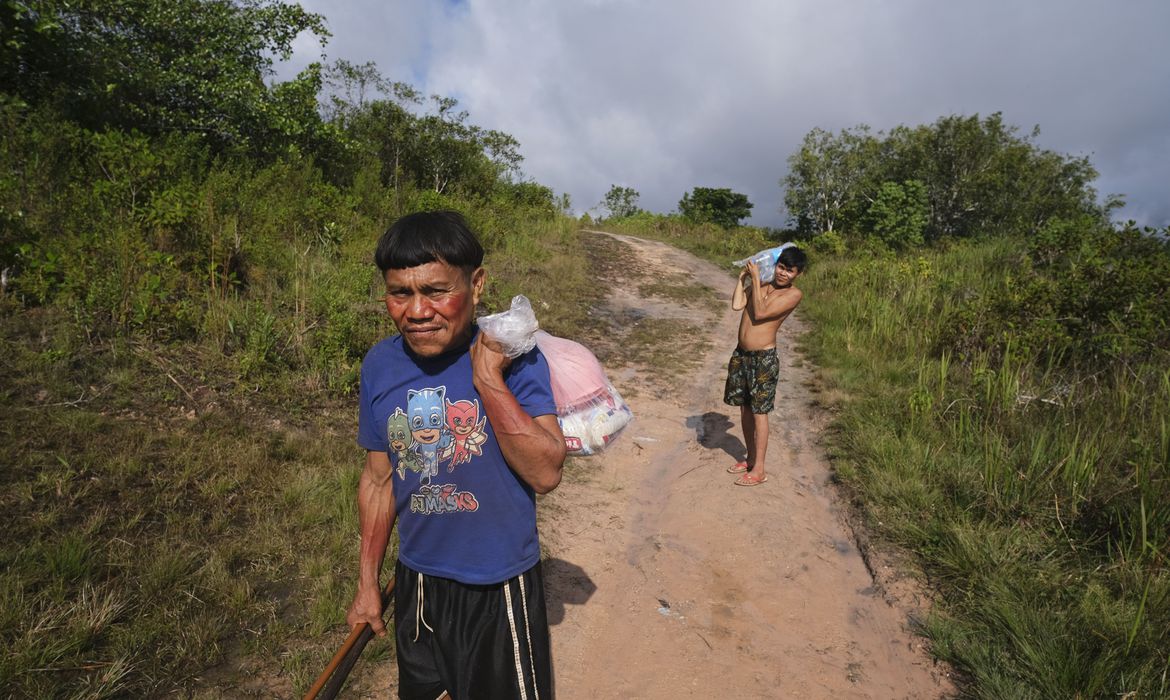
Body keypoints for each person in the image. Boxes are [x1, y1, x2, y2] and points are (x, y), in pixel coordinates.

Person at [347, 210, 567, 699]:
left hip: (498, 587)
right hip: (418, 584)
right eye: (400, 293)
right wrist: (368, 584)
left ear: (478, 284)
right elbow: (378, 481)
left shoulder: (515, 359)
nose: (417, 311)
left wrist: (487, 378)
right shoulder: (381, 365)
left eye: (437, 291)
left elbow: (546, 471)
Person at [723, 246, 808, 486]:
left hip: (764, 359)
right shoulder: (763, 286)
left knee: (760, 412)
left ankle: (759, 469)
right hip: (742, 355)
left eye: (789, 271)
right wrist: (743, 278)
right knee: (744, 408)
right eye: (781, 267)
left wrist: (757, 278)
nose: (783, 273)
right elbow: (738, 305)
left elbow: (760, 313)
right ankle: (749, 459)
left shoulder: (793, 295)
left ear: (798, 274)